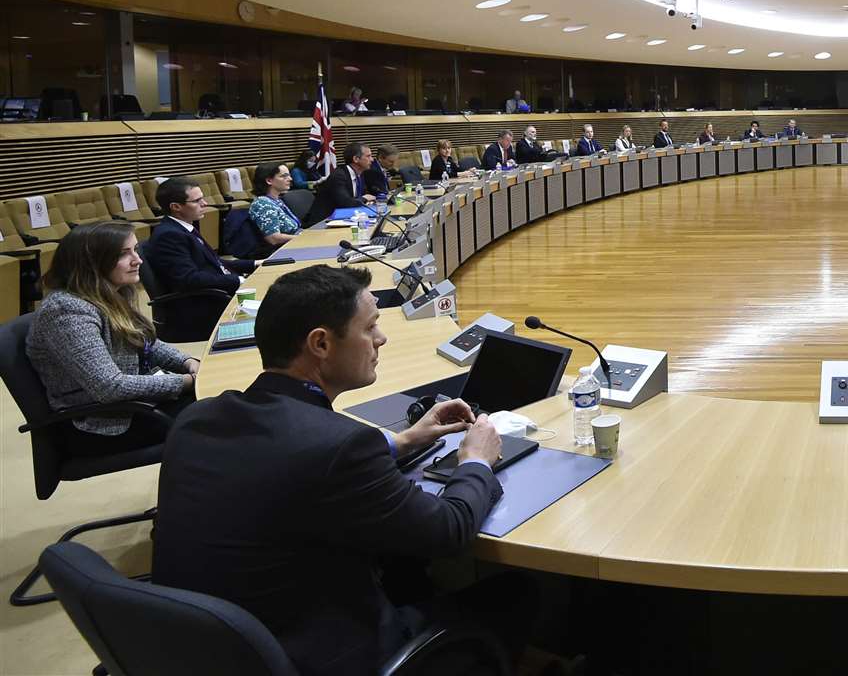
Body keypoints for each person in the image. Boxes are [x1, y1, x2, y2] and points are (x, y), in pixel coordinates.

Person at [153, 264, 521, 676]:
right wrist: (476, 460)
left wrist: (403, 441)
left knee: (404, 570)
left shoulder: (195, 420)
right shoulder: (340, 445)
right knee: (516, 593)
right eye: (369, 328)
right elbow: (448, 530)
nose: (381, 339)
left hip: (209, 651)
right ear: (322, 344)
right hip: (321, 656)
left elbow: (289, 467)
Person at [26, 221, 198, 456]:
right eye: (123, 254)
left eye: (135, 250)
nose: (138, 260)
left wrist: (188, 363)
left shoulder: (109, 292)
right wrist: (186, 381)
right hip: (102, 425)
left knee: (226, 399)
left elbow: (146, 343)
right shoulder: (66, 310)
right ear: (92, 263)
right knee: (222, 414)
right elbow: (110, 387)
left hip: (134, 406)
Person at [144, 177, 256, 336]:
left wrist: (254, 264)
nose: (204, 204)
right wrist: (238, 280)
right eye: (197, 201)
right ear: (176, 207)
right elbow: (189, 279)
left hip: (214, 296)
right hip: (199, 308)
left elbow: (214, 262)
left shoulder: (183, 227)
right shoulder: (169, 235)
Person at [248, 162, 302, 249]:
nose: (290, 179)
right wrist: (303, 238)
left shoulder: (277, 200)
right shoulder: (263, 204)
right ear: (269, 180)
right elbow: (273, 238)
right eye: (284, 176)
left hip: (294, 244)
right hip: (282, 251)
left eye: (289, 175)